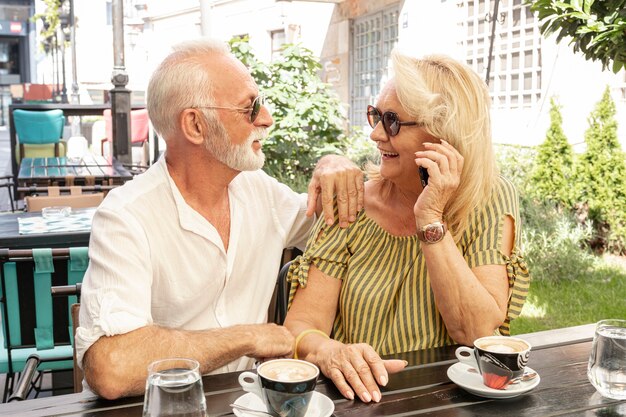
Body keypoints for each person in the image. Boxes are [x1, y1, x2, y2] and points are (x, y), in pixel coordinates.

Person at [75, 38, 363, 400]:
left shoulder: (260, 191)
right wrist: (247, 336)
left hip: (244, 403)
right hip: (158, 408)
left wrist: (332, 164)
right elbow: (111, 368)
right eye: (249, 108)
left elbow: (342, 219)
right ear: (195, 125)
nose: (267, 119)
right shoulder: (126, 216)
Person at [283, 51, 531, 404]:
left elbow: (476, 332)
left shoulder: (487, 197)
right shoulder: (351, 202)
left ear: (444, 135)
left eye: (392, 121)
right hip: (361, 399)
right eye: (376, 116)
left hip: (453, 401)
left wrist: (430, 220)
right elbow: (301, 326)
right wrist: (329, 352)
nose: (375, 134)